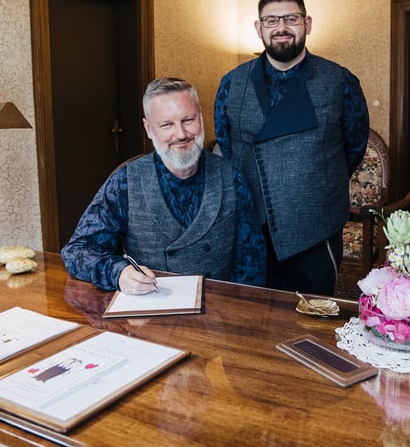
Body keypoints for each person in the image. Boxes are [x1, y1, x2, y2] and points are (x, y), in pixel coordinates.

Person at [213, 0, 369, 296]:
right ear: (259, 28)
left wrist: (312, 181)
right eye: (271, 20)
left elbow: (354, 146)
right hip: (252, 225)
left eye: (291, 18)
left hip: (314, 228)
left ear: (307, 24)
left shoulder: (340, 81)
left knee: (312, 322)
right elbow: (226, 143)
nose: (281, 28)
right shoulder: (232, 82)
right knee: (253, 317)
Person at [62, 78, 266, 294]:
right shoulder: (125, 182)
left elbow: (252, 264)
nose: (180, 134)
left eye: (188, 120)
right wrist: (119, 273)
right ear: (149, 129)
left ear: (201, 118)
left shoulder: (232, 179)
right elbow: (76, 251)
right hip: (150, 312)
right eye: (167, 124)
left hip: (218, 313)